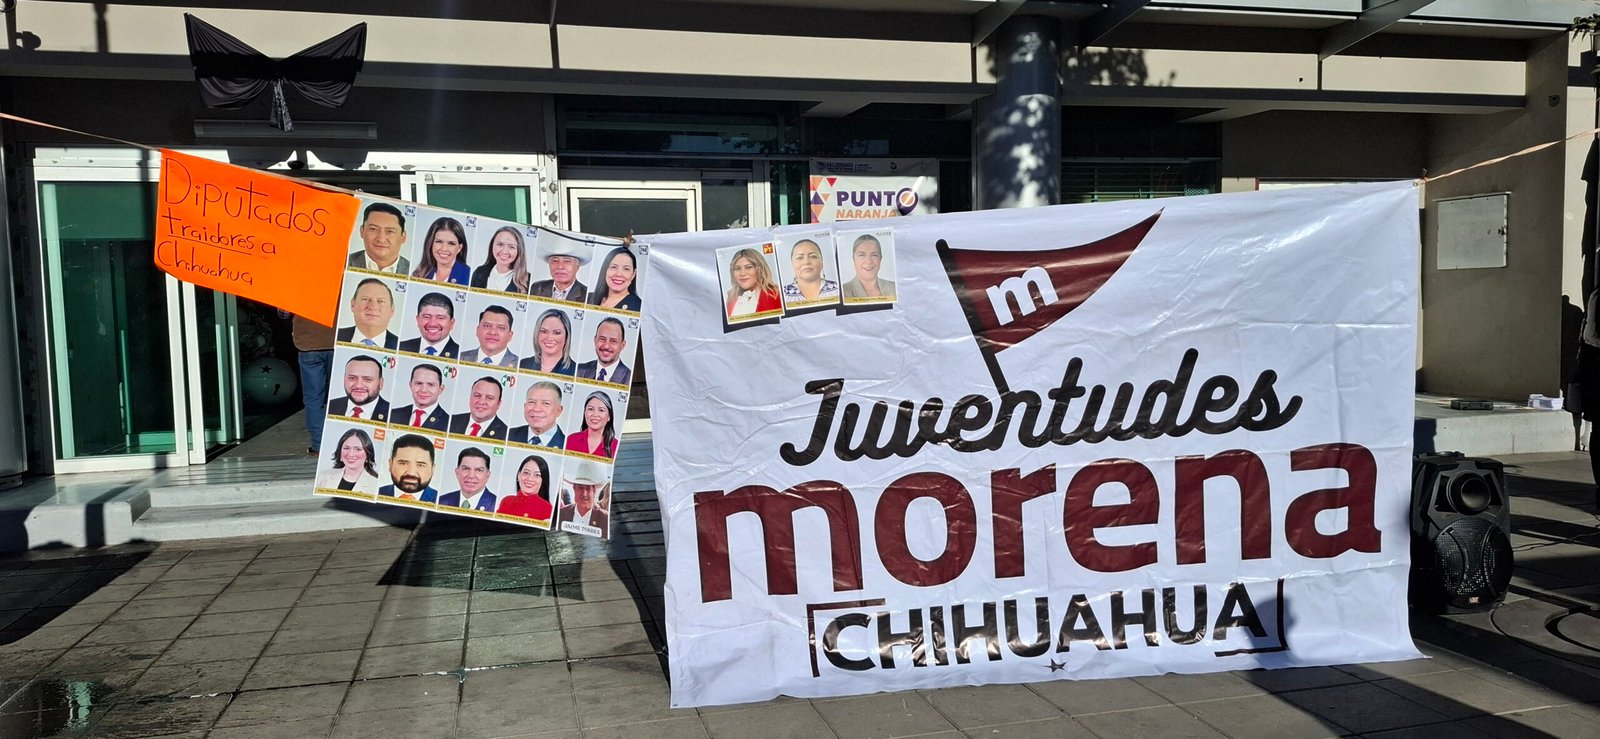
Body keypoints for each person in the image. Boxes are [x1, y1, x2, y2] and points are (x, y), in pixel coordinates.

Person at [292, 313, 336, 455]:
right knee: (339, 394)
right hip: (336, 340)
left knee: (313, 398)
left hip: (308, 344)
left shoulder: (299, 296)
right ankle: (342, 439)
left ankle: (318, 444)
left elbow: (283, 313)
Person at [335, 278, 399, 350]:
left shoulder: (401, 347)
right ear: (353, 304)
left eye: (380, 301)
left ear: (392, 310)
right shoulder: (335, 337)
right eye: (365, 299)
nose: (373, 307)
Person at [314, 428, 382, 494]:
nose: (351, 454)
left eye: (358, 449)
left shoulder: (376, 486)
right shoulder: (323, 477)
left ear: (368, 455)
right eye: (346, 448)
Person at [348, 202, 410, 274]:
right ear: (362, 231)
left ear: (403, 237)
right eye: (373, 229)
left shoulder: (413, 271)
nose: (381, 239)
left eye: (390, 231)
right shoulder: (345, 261)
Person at [469, 226, 532, 294]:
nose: (504, 251)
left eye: (511, 247)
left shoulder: (528, 280)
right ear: (492, 245)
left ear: (519, 251)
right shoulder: (479, 272)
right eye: (500, 244)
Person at [327, 355, 389, 422]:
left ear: (381, 383)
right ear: (344, 379)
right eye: (352, 378)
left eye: (367, 379)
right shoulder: (330, 406)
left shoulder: (392, 414)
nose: (359, 385)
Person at [397, 292, 460, 359]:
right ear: (418, 320)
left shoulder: (460, 355)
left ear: (451, 323)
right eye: (426, 317)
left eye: (440, 318)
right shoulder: (400, 347)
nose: (432, 324)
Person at [378, 433, 438, 503]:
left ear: (432, 469)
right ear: (390, 464)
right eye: (403, 463)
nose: (411, 472)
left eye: (420, 465)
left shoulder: (440, 501)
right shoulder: (376, 493)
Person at [724, 247, 782, 319]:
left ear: (760, 269)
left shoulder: (776, 295)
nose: (742, 273)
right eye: (737, 268)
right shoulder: (729, 298)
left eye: (748, 267)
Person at [556, 460, 611, 535]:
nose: (584, 494)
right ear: (574, 488)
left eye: (588, 488)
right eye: (580, 488)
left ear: (594, 491)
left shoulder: (605, 518)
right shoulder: (562, 513)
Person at [411, 217, 470, 285]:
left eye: (451, 243)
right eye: (439, 241)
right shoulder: (419, 274)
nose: (444, 249)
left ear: (459, 248)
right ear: (430, 243)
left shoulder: (469, 277)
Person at [391, 364, 450, 432]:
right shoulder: (392, 415)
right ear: (410, 385)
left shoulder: (449, 423)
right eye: (418, 383)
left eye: (430, 384)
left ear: (440, 389)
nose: (423, 390)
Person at [518, 309, 576, 376]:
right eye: (544, 331)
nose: (549, 338)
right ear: (537, 334)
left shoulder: (576, 371)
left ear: (567, 336)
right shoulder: (522, 364)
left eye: (557, 333)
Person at [497, 455, 555, 522]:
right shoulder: (506, 502)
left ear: (543, 480)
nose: (530, 479)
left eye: (537, 475)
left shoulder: (548, 509)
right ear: (519, 475)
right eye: (526, 473)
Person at [507, 381, 565, 447]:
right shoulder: (507, 435)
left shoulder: (567, 445)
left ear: (558, 410)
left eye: (546, 403)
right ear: (525, 406)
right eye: (531, 402)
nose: (536, 409)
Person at [575, 317, 631, 386]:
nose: (606, 346)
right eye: (602, 339)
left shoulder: (629, 378)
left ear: (622, 345)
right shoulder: (578, 371)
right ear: (595, 340)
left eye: (613, 341)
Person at [840, 234, 896, 300]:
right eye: (862, 255)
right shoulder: (843, 292)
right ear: (853, 259)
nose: (869, 261)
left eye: (874, 255)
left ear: (880, 259)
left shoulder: (894, 287)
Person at [782, 238, 839, 304]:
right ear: (792, 264)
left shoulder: (838, 289)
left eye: (813, 256)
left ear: (822, 262)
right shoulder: (782, 295)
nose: (806, 262)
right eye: (800, 257)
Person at [563, 391, 618, 458]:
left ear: (609, 416)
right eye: (590, 409)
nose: (595, 414)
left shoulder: (615, 445)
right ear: (585, 413)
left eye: (601, 410)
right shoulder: (571, 440)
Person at [588, 245, 641, 312]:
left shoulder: (638, 306)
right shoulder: (588, 298)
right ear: (605, 270)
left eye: (626, 269)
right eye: (613, 267)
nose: (619, 274)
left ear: (633, 274)